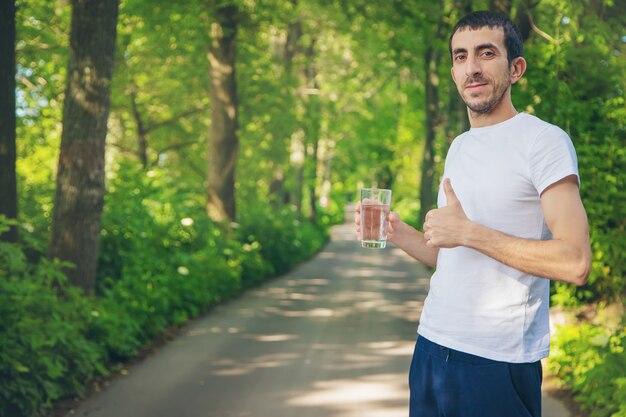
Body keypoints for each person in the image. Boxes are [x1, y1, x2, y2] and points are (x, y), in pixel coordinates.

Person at [355, 10, 591, 417]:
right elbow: (452, 257)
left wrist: (469, 232)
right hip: (431, 346)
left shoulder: (544, 142)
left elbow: (575, 261)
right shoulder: (459, 147)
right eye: (461, 56)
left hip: (495, 361)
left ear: (516, 68)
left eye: (486, 53)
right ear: (453, 72)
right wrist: (399, 233)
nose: (473, 67)